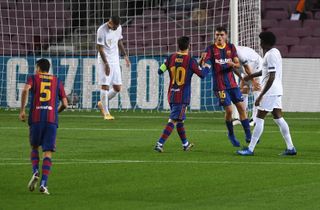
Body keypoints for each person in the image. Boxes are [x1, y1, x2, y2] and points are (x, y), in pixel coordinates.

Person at [237, 31, 297, 156]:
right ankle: (291, 148)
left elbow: (271, 77)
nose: (260, 43)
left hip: (270, 91)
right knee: (278, 118)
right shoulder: (275, 53)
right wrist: (251, 76)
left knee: (259, 118)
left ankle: (250, 149)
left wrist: (261, 95)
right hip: (276, 90)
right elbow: (265, 72)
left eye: (261, 40)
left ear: (265, 42)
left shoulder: (270, 55)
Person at [19, 58, 68, 195]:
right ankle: (44, 184)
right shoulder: (57, 81)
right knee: (48, 152)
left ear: (39, 68)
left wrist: (22, 110)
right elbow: (65, 104)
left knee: (34, 147)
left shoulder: (33, 78)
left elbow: (25, 90)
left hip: (35, 119)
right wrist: (55, 112)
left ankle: (35, 171)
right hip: (51, 120)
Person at [154, 36, 211, 152]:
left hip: (171, 94)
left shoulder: (171, 58)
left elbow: (160, 71)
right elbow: (202, 75)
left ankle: (185, 144)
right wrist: (207, 67)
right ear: (189, 46)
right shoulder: (190, 61)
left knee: (180, 120)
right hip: (182, 96)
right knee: (173, 120)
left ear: (178, 45)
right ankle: (159, 143)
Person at [202, 26, 251, 147]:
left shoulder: (231, 47)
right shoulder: (210, 49)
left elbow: (237, 63)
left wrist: (233, 64)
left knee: (241, 108)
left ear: (226, 36)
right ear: (215, 36)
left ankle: (248, 135)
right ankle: (231, 134)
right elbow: (205, 62)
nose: (219, 37)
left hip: (232, 85)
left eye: (221, 35)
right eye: (217, 34)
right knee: (229, 110)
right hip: (220, 86)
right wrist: (202, 62)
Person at [96, 15, 130, 120]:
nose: (114, 28)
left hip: (115, 60)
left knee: (117, 88)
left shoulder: (119, 28)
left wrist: (125, 56)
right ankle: (106, 113)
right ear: (109, 22)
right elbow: (100, 49)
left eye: (116, 26)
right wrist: (106, 64)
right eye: (113, 26)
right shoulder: (101, 30)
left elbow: (119, 41)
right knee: (105, 86)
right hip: (104, 60)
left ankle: (102, 103)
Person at [232, 46, 263, 126]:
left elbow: (247, 68)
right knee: (243, 89)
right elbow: (233, 69)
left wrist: (253, 81)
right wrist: (241, 78)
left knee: (256, 88)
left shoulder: (240, 55)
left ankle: (255, 119)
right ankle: (242, 118)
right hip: (246, 67)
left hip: (256, 64)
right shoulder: (225, 56)